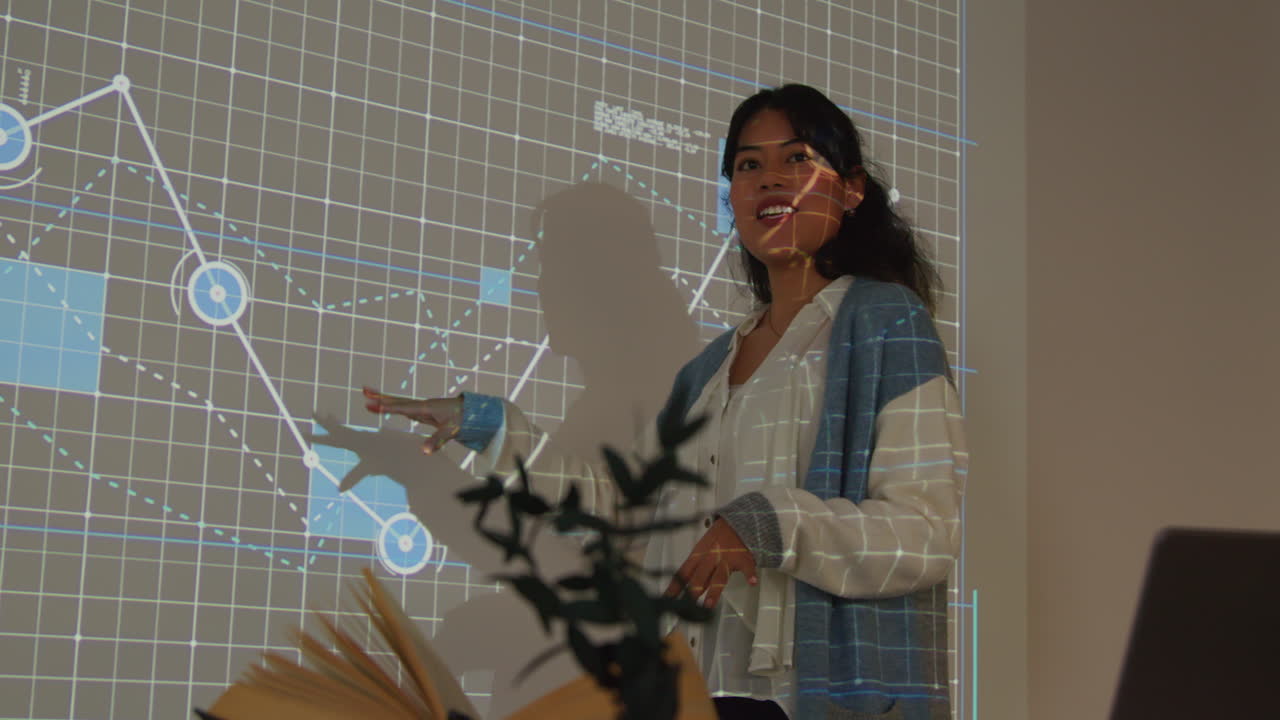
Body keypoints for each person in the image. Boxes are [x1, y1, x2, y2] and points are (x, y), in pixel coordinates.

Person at [360, 84, 967, 720]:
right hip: (695, 695)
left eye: (796, 160)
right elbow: (618, 506)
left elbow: (924, 534)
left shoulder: (886, 323)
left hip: (807, 701)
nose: (769, 181)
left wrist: (769, 524)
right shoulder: (709, 369)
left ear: (851, 189)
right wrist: (485, 425)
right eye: (747, 165)